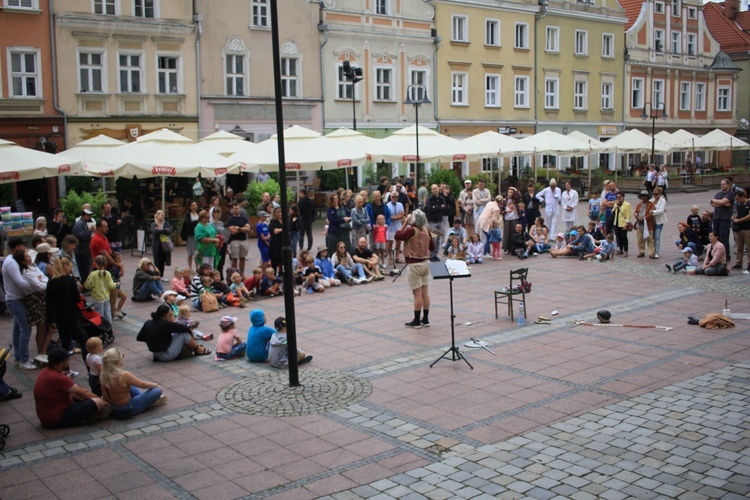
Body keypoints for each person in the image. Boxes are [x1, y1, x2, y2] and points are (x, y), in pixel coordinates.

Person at [33, 348, 110, 428]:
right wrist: (103, 402)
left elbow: (75, 391)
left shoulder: (45, 371)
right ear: (61, 363)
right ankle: (94, 414)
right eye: (68, 359)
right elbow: (83, 392)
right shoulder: (58, 377)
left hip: (48, 417)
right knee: (98, 402)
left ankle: (91, 412)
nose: (69, 361)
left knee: (80, 396)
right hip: (57, 419)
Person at [395, 209, 434, 329]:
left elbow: (397, 235)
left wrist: (405, 223)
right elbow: (432, 247)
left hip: (414, 264)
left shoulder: (412, 230)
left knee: (417, 294)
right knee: (425, 292)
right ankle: (425, 319)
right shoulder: (426, 230)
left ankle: (416, 321)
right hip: (426, 263)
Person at [3, 238, 35, 369]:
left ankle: (19, 356)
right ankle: (23, 359)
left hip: (15, 298)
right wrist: (36, 286)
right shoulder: (11, 262)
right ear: (17, 248)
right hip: (15, 299)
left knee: (18, 328)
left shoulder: (12, 261)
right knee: (25, 329)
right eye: (23, 246)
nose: (24, 249)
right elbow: (20, 282)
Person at [137, 304, 211, 361]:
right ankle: (198, 349)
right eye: (170, 314)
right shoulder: (164, 324)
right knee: (184, 334)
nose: (171, 315)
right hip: (165, 355)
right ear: (165, 315)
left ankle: (194, 347)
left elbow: (139, 337)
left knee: (177, 332)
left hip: (156, 353)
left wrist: (154, 342)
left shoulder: (148, 322)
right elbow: (185, 329)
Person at [84, 255, 116, 326]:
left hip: (97, 297)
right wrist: (115, 284)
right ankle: (109, 327)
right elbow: (111, 285)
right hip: (106, 297)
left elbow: (87, 285)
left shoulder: (93, 274)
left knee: (99, 313)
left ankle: (100, 327)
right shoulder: (107, 273)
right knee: (107, 313)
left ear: (96, 263)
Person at [710, 178, 735, 263]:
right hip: (716, 217)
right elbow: (712, 203)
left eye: (723, 184)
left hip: (725, 218)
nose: (722, 185)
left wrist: (719, 202)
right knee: (716, 237)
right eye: (721, 184)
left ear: (728, 185)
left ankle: (726, 255)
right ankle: (716, 253)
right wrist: (721, 203)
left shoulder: (730, 194)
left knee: (724, 237)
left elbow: (721, 202)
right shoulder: (718, 194)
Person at [226, 202, 251, 277]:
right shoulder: (230, 220)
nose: (237, 210)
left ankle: (242, 274)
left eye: (238, 208)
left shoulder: (244, 219)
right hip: (234, 241)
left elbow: (248, 229)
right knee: (235, 259)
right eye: (235, 209)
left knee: (242, 258)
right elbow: (232, 232)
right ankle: (234, 275)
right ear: (232, 210)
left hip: (243, 240)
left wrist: (238, 228)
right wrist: (243, 229)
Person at [425, 184, 448, 262]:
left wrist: (436, 207)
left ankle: (435, 254)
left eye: (436, 188)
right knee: (433, 239)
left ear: (438, 189)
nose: (435, 190)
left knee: (438, 239)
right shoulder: (429, 199)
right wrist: (439, 207)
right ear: (431, 190)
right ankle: (431, 254)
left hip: (440, 221)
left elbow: (445, 208)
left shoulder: (441, 198)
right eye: (433, 189)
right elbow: (429, 208)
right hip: (432, 221)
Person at [325, 193, 352, 257]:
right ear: (331, 200)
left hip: (344, 232)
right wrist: (343, 220)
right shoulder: (330, 210)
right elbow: (332, 220)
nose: (335, 200)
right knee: (333, 250)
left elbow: (349, 216)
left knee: (345, 249)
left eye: (336, 198)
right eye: (334, 199)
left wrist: (349, 219)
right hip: (334, 233)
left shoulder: (343, 208)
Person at [72, 208, 94, 278]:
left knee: (85, 269)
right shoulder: (80, 224)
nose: (89, 217)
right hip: (81, 250)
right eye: (87, 215)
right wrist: (89, 231)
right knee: (83, 270)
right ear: (83, 216)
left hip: (84, 250)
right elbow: (81, 236)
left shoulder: (83, 223)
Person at [732, 189, 750, 273]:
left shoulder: (749, 203)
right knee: (739, 246)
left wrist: (739, 220)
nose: (737, 201)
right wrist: (734, 217)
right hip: (738, 228)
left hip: (747, 228)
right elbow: (737, 213)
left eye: (738, 199)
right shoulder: (739, 204)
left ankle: (749, 264)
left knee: (749, 247)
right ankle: (738, 262)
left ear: (742, 197)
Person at [634, 190, 655, 259]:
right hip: (639, 224)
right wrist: (637, 216)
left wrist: (644, 218)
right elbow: (636, 212)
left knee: (650, 239)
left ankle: (651, 253)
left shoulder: (651, 204)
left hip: (648, 224)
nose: (643, 197)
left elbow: (651, 213)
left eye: (645, 196)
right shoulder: (639, 204)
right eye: (642, 196)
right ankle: (641, 251)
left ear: (647, 197)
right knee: (640, 239)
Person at [151, 209, 172, 279]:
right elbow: (155, 232)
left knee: (163, 260)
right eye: (161, 215)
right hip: (157, 245)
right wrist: (164, 230)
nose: (162, 216)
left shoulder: (166, 223)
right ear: (157, 215)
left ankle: (162, 275)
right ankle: (157, 275)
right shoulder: (154, 224)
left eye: (163, 215)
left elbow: (169, 231)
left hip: (165, 244)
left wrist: (160, 230)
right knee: (157, 260)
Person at [385, 191, 405, 265]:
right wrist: (397, 216)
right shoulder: (387, 205)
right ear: (390, 197)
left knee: (398, 242)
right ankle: (390, 258)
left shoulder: (400, 205)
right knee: (390, 242)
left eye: (396, 197)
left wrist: (395, 217)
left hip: (398, 226)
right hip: (390, 226)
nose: (395, 198)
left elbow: (402, 215)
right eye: (393, 197)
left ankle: (397, 257)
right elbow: (388, 217)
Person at [180, 201, 201, 273]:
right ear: (190, 207)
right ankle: (190, 267)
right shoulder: (188, 215)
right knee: (190, 252)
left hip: (198, 235)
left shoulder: (199, 213)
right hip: (191, 235)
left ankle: (197, 267)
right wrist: (197, 222)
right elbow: (188, 223)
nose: (194, 207)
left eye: (195, 205)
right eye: (193, 205)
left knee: (197, 252)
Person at [612, 192, 631, 257]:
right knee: (618, 236)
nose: (618, 198)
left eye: (619, 197)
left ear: (623, 197)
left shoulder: (627, 205)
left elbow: (628, 216)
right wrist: (615, 207)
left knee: (624, 237)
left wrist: (626, 224)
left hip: (623, 223)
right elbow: (613, 212)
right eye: (617, 197)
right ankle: (620, 249)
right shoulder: (616, 204)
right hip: (616, 222)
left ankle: (626, 250)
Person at [650, 187, 667, 259]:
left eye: (656, 194)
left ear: (660, 194)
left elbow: (661, 210)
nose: (655, 196)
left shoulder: (662, 201)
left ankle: (657, 252)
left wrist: (653, 212)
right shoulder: (652, 200)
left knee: (657, 236)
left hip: (659, 221)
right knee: (652, 237)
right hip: (652, 221)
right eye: (654, 194)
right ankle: (652, 251)